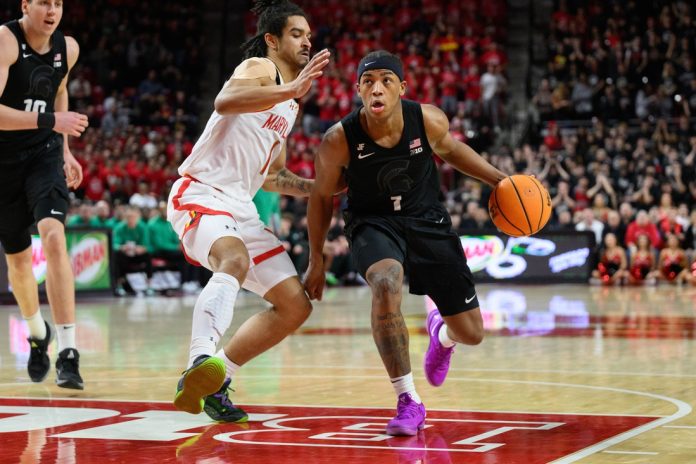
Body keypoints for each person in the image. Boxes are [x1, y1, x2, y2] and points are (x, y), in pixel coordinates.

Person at [304, 50, 507, 436]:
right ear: (358, 91)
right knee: (385, 283)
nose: (376, 89)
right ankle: (408, 400)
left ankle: (441, 336)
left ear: (402, 87)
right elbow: (320, 196)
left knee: (471, 333)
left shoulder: (428, 119)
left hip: (427, 219)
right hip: (373, 222)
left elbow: (452, 150)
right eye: (368, 82)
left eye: (386, 80)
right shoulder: (339, 140)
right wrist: (316, 259)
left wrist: (500, 180)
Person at [166, 0, 330, 423]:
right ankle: (198, 361)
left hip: (241, 207)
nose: (306, 41)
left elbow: (273, 176)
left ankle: (217, 379)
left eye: (309, 35)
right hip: (201, 191)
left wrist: (320, 187)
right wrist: (289, 90)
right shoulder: (261, 69)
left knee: (295, 306)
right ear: (272, 40)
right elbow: (225, 100)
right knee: (234, 261)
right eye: (296, 34)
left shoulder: (290, 104)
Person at [0, 0, 88, 389]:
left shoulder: (68, 48)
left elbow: (59, 90)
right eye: (43, 3)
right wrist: (53, 120)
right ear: (26, 5)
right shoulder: (5, 41)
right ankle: (39, 334)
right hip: (4, 163)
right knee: (19, 263)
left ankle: (68, 352)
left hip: (44, 156)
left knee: (53, 236)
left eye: (58, 3)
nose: (51, 11)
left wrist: (65, 150)